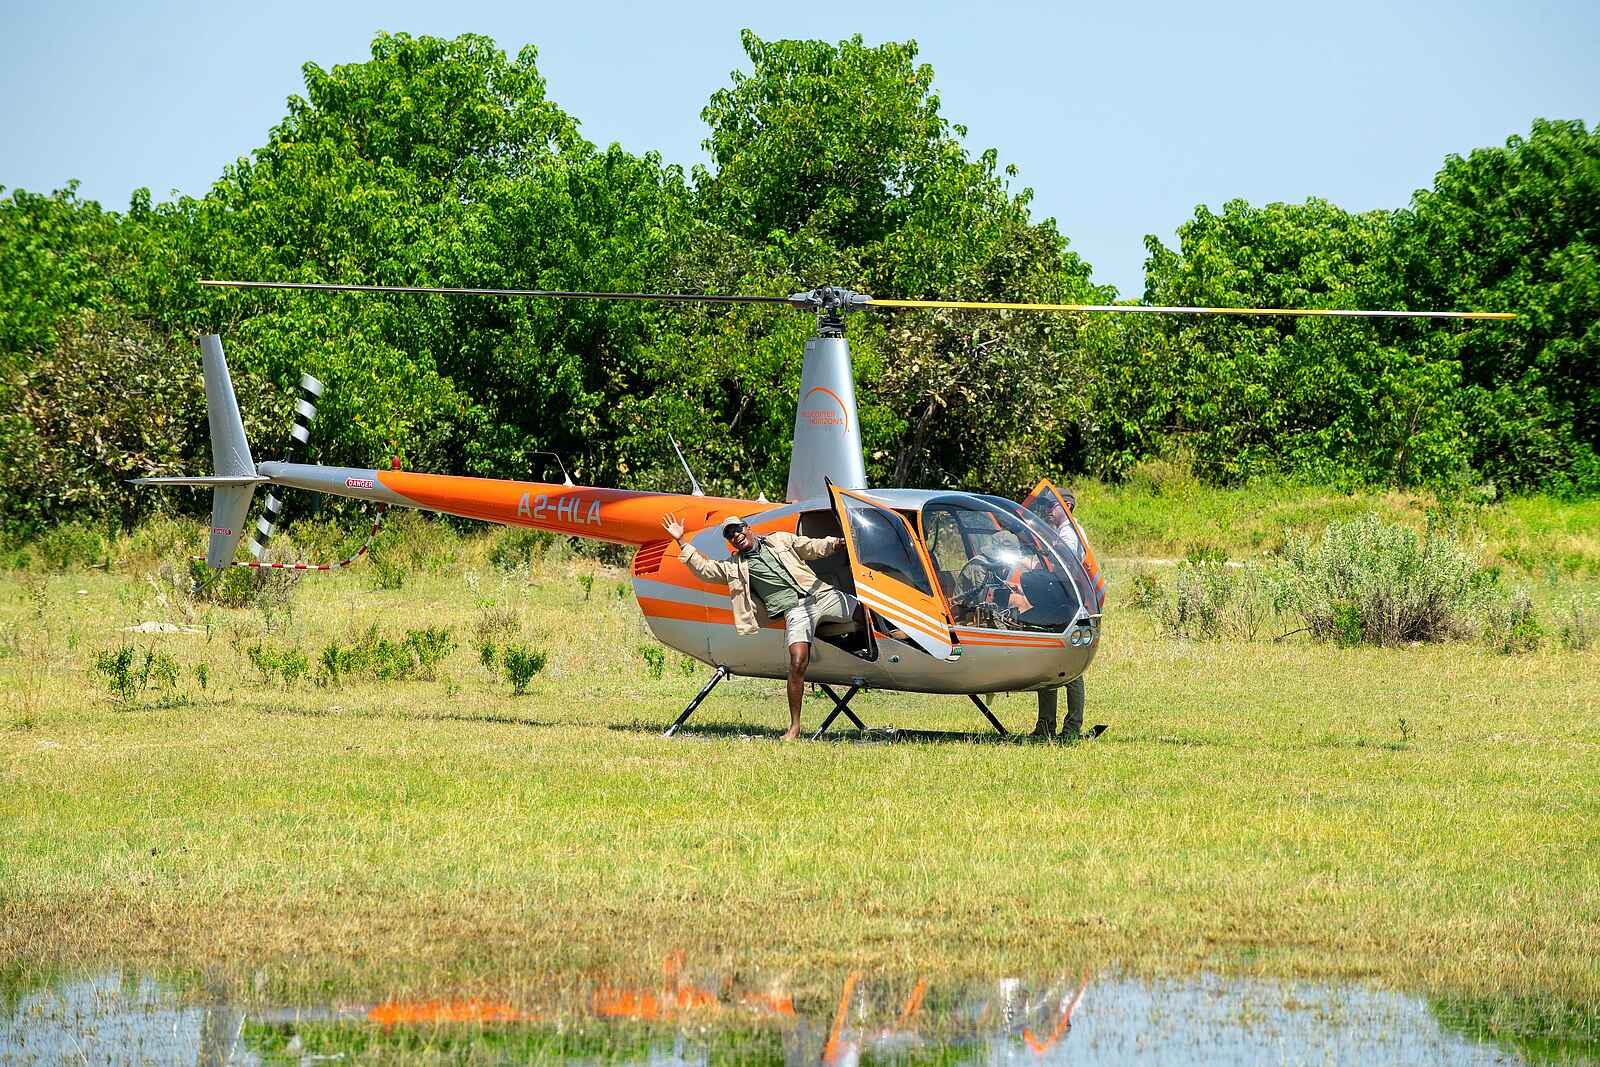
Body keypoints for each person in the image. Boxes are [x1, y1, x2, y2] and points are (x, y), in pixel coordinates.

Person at [661, 512, 856, 741]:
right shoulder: (734, 567)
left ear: (748, 528)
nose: (736, 536)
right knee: (797, 661)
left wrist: (838, 543)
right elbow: (704, 569)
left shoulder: (779, 540)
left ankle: (897, 636)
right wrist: (681, 541)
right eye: (730, 535)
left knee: (868, 610)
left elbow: (811, 546)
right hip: (795, 610)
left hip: (820, 594)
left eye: (738, 530)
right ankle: (794, 727)